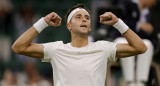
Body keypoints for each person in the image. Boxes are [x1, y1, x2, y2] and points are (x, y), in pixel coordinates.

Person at [12, 4, 147, 86]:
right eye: (78, 17)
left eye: (87, 18)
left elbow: (140, 47)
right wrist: (43, 22)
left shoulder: (103, 48)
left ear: (89, 28)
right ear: (68, 26)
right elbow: (18, 47)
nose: (84, 19)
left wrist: (118, 23)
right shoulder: (56, 49)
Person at [111, 0, 157, 86]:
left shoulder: (148, 12)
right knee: (124, 43)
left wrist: (148, 30)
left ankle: (141, 82)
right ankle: (130, 82)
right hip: (120, 37)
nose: (154, 3)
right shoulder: (126, 3)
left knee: (148, 44)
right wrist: (139, 25)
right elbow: (118, 20)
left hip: (138, 40)